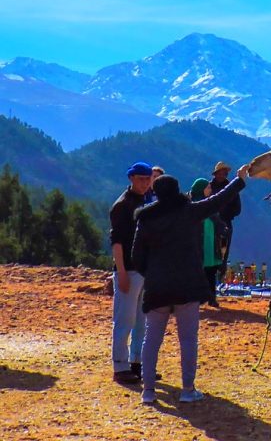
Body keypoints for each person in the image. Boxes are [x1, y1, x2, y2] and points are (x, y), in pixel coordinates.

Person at [131, 166, 248, 405]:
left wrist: (152, 274)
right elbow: (218, 200)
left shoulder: (145, 218)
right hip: (187, 286)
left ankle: (149, 391)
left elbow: (136, 258)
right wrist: (239, 180)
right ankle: (187, 390)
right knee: (187, 340)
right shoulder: (189, 211)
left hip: (157, 287)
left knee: (151, 339)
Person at [109, 161, 154, 384]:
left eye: (147, 179)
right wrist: (122, 272)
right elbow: (116, 242)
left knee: (142, 321)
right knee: (124, 319)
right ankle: (120, 365)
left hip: (145, 269)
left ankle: (138, 362)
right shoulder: (122, 205)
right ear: (131, 179)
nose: (145, 183)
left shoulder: (147, 201)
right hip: (129, 269)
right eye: (141, 179)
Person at [189, 178, 224, 308]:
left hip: (210, 243)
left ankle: (211, 297)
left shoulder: (210, 205)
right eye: (207, 187)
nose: (210, 190)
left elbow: (217, 221)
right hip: (198, 244)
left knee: (211, 271)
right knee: (198, 272)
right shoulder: (192, 206)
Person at [207, 161, 240, 291]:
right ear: (216, 173)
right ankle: (207, 287)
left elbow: (238, 209)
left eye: (225, 172)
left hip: (225, 224)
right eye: (221, 172)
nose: (224, 174)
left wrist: (225, 214)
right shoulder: (209, 187)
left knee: (222, 254)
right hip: (208, 225)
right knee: (208, 253)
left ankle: (218, 284)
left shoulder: (232, 189)